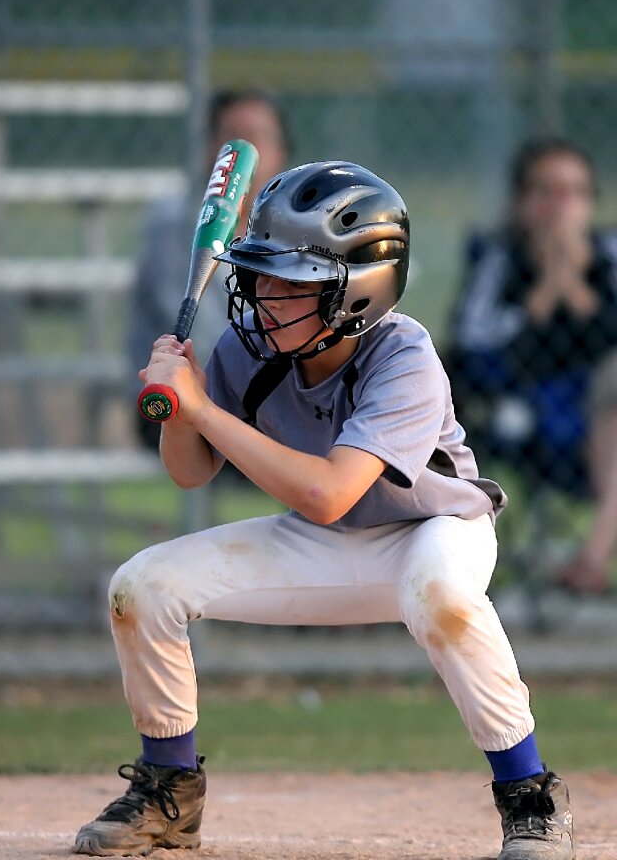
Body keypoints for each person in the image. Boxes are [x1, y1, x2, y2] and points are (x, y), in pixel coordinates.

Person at [75, 162, 575, 860]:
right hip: (327, 540)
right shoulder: (250, 350)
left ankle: (530, 798)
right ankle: (170, 790)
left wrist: (206, 413)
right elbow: (189, 473)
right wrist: (180, 405)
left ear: (357, 293)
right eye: (261, 276)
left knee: (442, 597)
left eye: (293, 284)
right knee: (144, 585)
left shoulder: (404, 354)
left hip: (435, 531)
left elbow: (329, 489)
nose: (264, 297)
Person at [448, 138, 617, 595]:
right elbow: (470, 344)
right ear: (521, 202)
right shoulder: (500, 259)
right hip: (519, 418)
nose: (560, 206)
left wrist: (578, 289)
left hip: (598, 418)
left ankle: (593, 556)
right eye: (546, 191)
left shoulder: (609, 257)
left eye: (574, 192)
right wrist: (543, 293)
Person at [128, 88, 289, 450]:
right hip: (171, 396)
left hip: (260, 393)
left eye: (260, 137)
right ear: (211, 150)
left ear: (281, 152)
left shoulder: (289, 227)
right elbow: (200, 335)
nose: (250, 151)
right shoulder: (176, 222)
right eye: (235, 135)